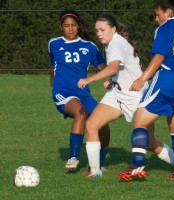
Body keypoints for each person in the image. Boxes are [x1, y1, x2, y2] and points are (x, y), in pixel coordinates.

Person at [77, 13, 174, 177]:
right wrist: (113, 80)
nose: (99, 33)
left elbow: (114, 67)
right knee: (92, 124)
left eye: (103, 30)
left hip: (137, 96)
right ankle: (95, 172)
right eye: (97, 31)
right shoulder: (113, 43)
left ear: (113, 29)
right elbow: (120, 70)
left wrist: (90, 79)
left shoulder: (116, 43)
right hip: (118, 94)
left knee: (151, 143)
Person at [117, 0, 174, 181]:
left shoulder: (164, 28)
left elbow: (160, 56)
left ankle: (137, 166)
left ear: (168, 12)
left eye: (158, 14)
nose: (156, 19)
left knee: (139, 120)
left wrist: (142, 78)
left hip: (168, 79)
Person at [48, 10, 110, 171]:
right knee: (81, 113)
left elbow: (103, 67)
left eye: (73, 25)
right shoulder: (54, 43)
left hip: (83, 94)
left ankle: (98, 164)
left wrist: (111, 79)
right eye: (66, 26)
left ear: (78, 26)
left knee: (103, 124)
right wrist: (53, 82)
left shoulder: (89, 46)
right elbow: (53, 64)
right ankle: (73, 157)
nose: (70, 29)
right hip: (63, 92)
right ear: (61, 27)